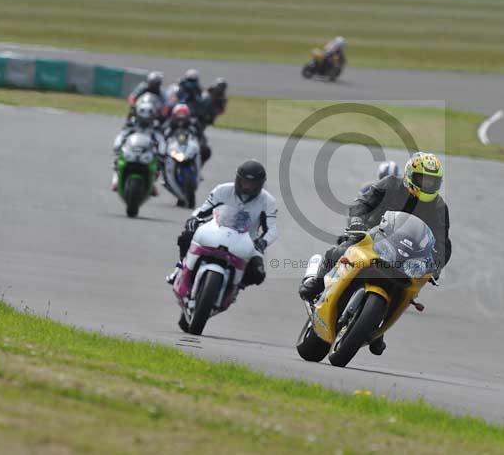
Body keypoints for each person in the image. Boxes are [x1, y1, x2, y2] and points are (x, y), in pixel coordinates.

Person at [298, 152, 451, 355]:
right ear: (409, 175)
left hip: (405, 254)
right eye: (423, 179)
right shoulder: (390, 185)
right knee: (340, 251)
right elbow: (362, 203)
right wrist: (357, 221)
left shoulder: (439, 207)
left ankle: (376, 330)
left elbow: (441, 241)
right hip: (371, 236)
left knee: (410, 286)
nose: (427, 185)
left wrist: (436, 264)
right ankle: (316, 282)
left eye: (433, 181)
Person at [166, 160, 278, 294]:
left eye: (252, 184)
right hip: (215, 233)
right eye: (244, 182)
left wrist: (263, 241)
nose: (247, 187)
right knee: (186, 237)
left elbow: (271, 229)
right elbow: (202, 210)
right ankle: (180, 269)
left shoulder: (268, 201)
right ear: (237, 179)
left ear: (260, 185)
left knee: (257, 273)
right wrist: (194, 219)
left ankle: (235, 287)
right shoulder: (222, 190)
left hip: (247, 243)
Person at [111, 95, 166, 191]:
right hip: (131, 149)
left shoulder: (155, 127)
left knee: (157, 166)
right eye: (143, 114)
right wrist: (117, 145)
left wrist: (162, 152)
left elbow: (161, 140)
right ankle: (116, 181)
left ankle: (152, 183)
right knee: (117, 161)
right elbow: (122, 135)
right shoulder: (131, 124)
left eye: (148, 115)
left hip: (148, 152)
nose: (145, 118)